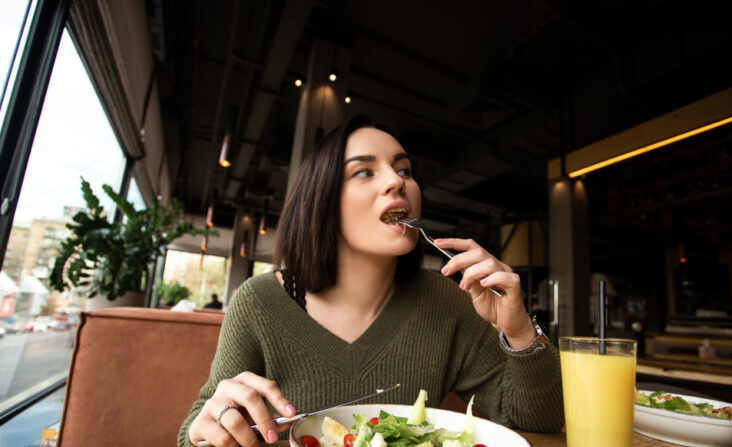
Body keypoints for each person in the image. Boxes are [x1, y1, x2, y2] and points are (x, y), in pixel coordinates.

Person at [179, 115, 564, 447]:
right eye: (364, 171)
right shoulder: (259, 303)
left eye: (404, 170)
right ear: (323, 201)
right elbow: (196, 430)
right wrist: (215, 425)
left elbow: (540, 421)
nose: (397, 182)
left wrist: (520, 331)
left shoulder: (450, 303)